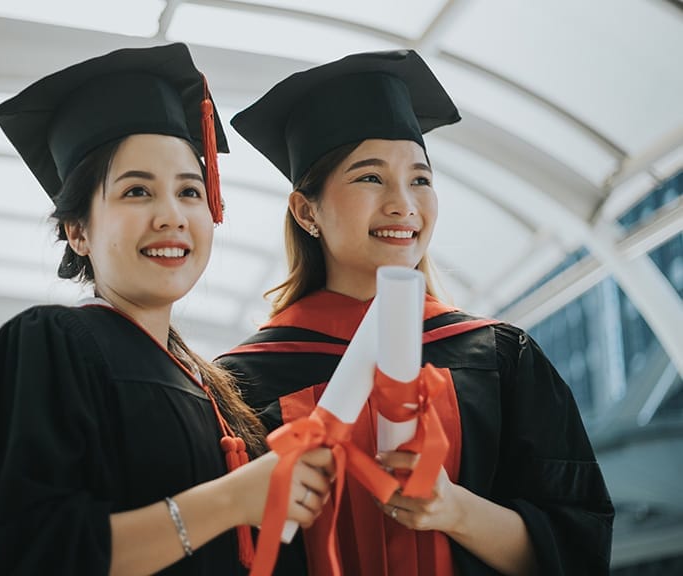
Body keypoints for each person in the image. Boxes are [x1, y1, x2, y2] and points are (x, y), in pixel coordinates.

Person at [0, 43, 334, 576]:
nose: (172, 215)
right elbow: (29, 553)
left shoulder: (214, 387)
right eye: (137, 191)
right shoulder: (53, 346)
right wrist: (231, 499)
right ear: (78, 231)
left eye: (190, 192)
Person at [216, 49, 614, 575]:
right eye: (370, 178)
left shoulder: (501, 359)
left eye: (421, 179)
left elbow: (579, 547)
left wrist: (456, 511)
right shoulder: (241, 383)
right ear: (306, 210)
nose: (404, 203)